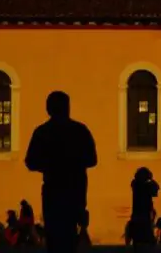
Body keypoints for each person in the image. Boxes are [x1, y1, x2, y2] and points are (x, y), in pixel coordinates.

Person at [25, 91, 98, 253]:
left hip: (54, 190)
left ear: (48, 109)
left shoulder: (42, 132)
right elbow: (92, 159)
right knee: (71, 237)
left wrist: (50, 165)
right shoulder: (79, 131)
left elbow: (30, 162)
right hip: (75, 190)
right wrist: (73, 163)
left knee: (54, 237)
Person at [128, 168, 159, 250]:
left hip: (137, 213)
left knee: (137, 236)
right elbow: (155, 190)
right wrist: (151, 179)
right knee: (146, 233)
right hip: (144, 213)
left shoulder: (135, 184)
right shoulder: (146, 186)